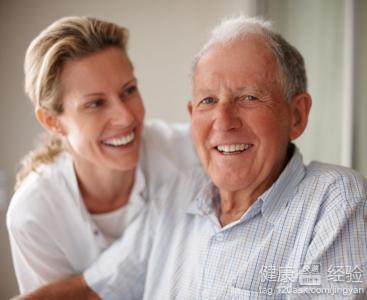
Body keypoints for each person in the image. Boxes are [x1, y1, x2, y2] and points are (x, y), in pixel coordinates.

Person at [14, 15, 367, 300]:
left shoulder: (334, 199)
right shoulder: (178, 191)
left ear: (297, 115)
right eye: (208, 101)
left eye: (248, 97)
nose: (223, 121)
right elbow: (95, 288)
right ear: (191, 114)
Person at [6, 16, 198, 294]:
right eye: (96, 103)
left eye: (129, 91)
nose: (125, 117)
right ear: (52, 122)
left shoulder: (190, 153)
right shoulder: (33, 215)